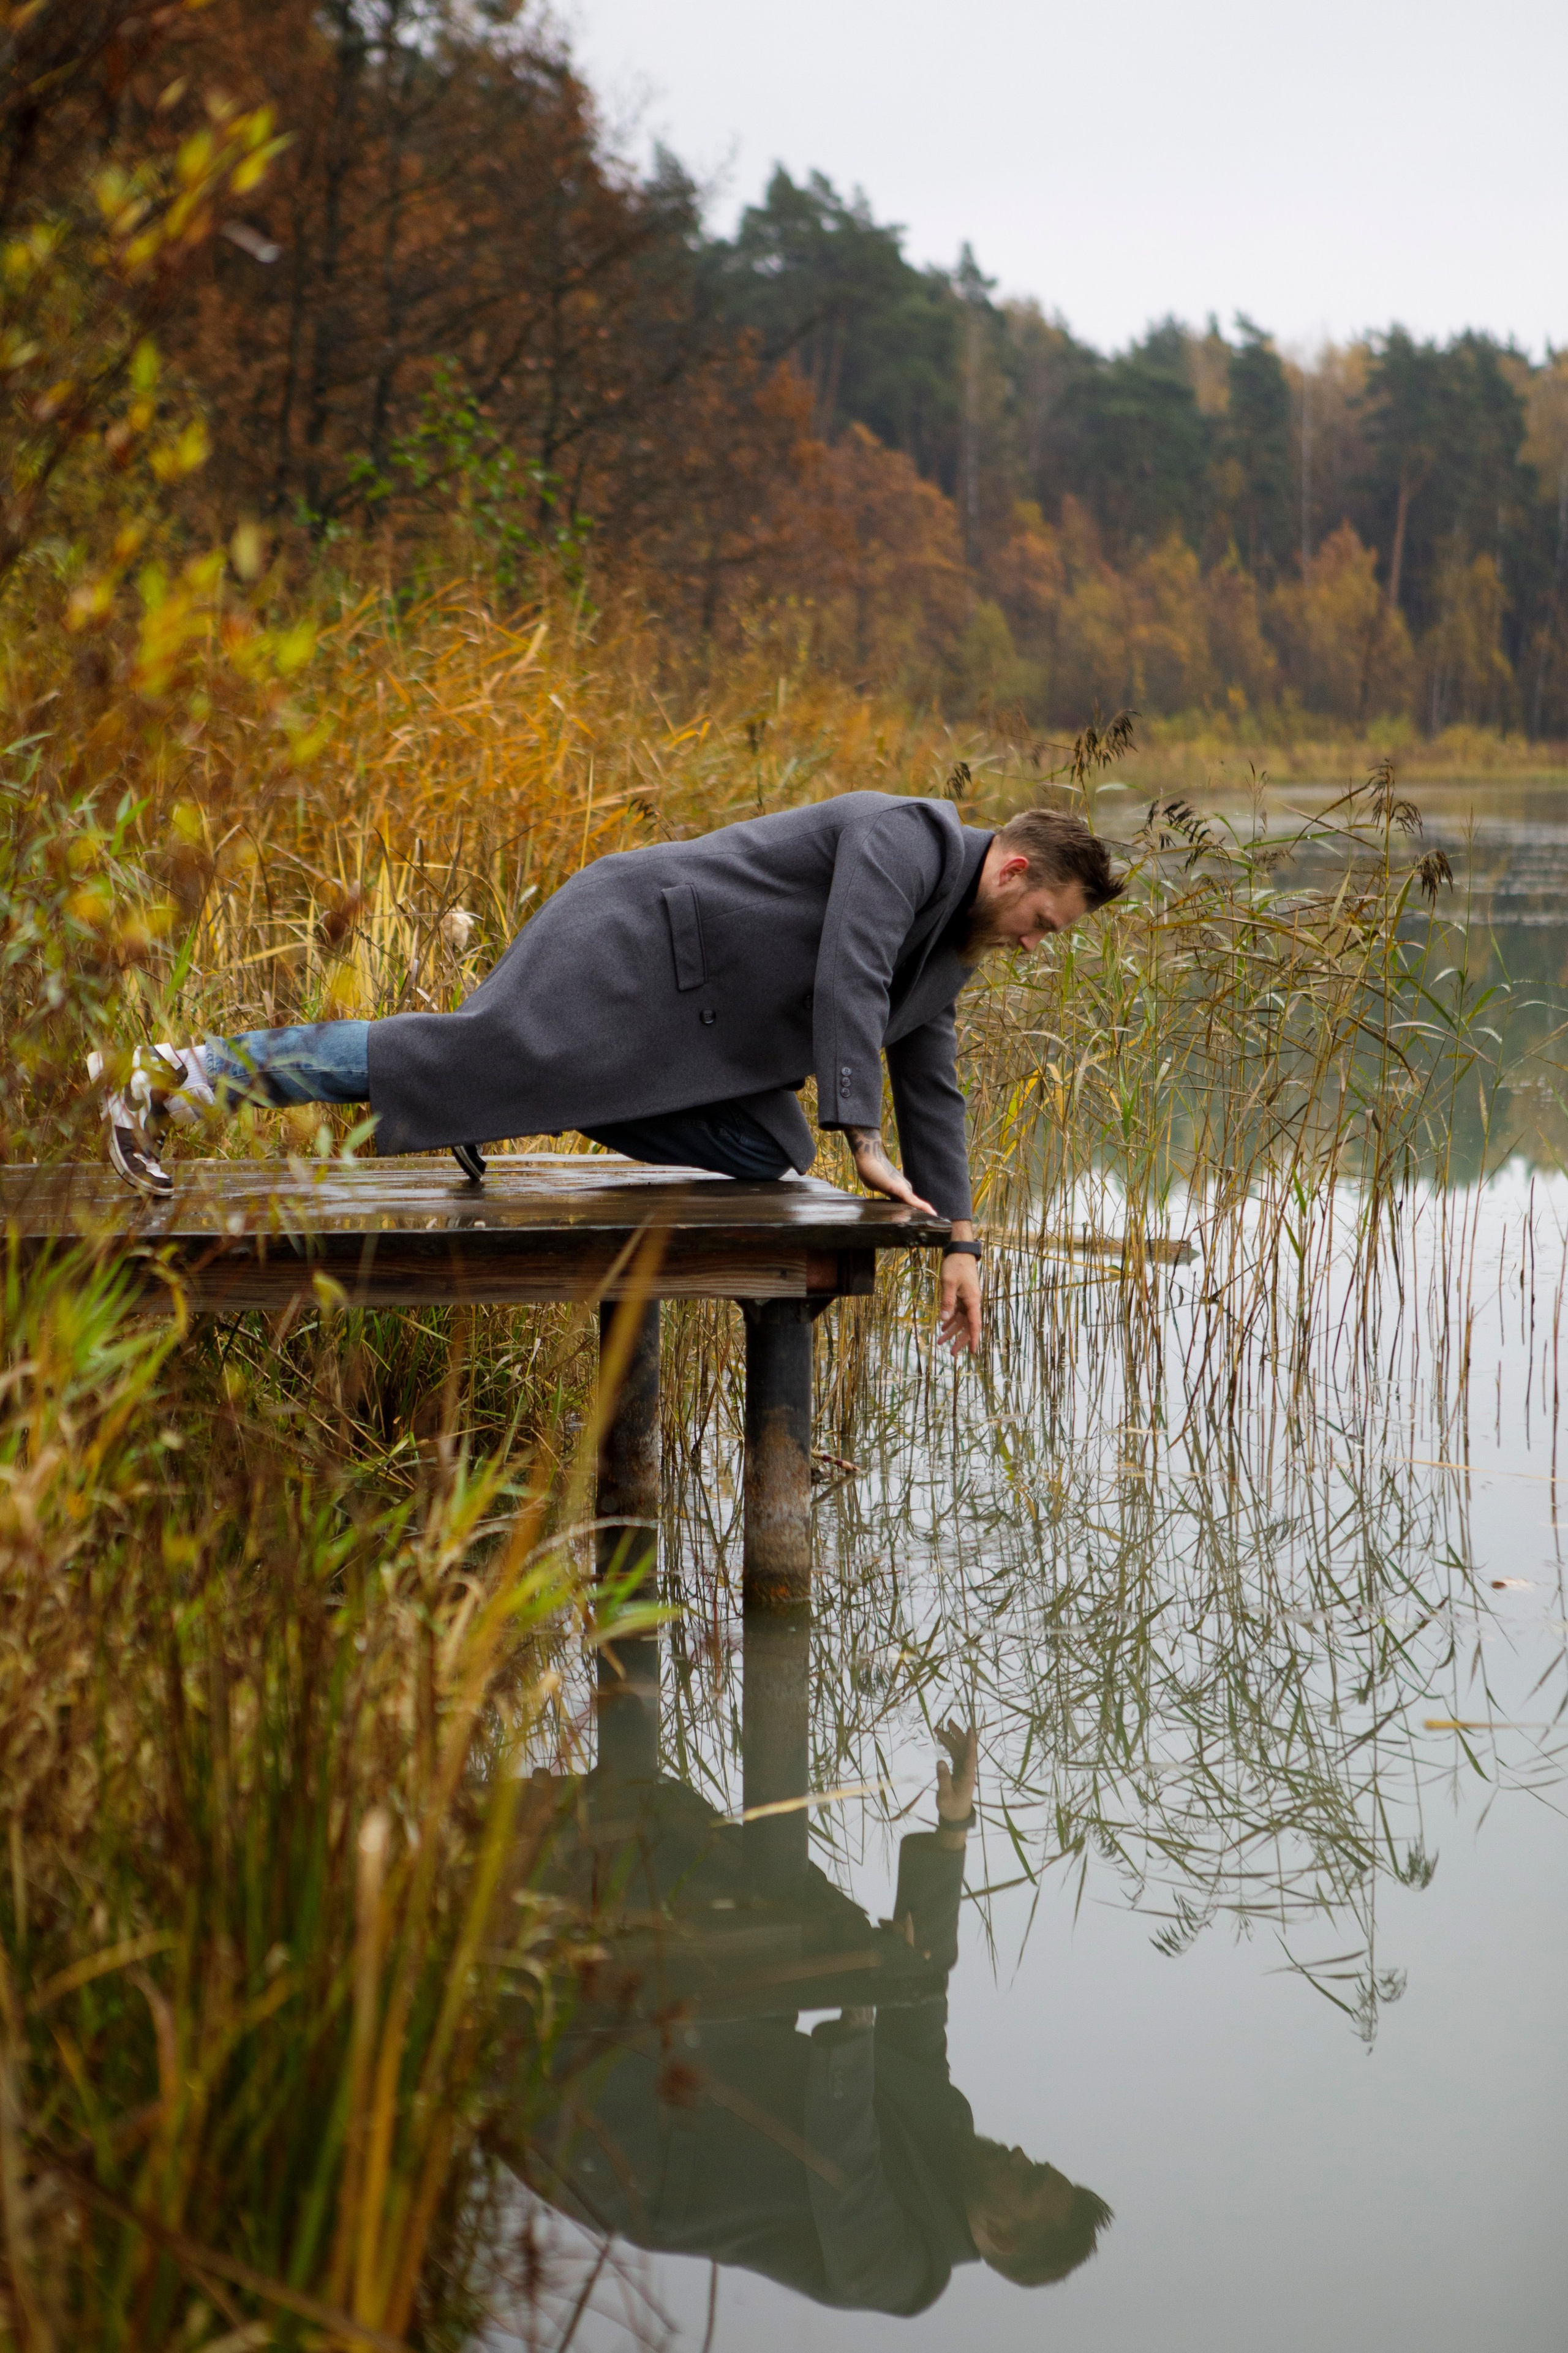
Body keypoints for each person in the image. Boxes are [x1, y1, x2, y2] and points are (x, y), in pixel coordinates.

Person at [91, 794, 1122, 1350]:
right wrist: (863, 1135)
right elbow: (850, 963)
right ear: (1017, 869)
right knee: (455, 1054)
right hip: (635, 940)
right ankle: (172, 1074)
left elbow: (934, 1090)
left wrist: (962, 1241)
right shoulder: (907, 838)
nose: (1038, 944)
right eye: (1046, 923)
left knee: (773, 1148)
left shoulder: (951, 956)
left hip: (692, 1032)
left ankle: (538, 1093)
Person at [520, 1722, 1114, 2317]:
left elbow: (845, 2173)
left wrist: (855, 2024)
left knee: (500, 2032)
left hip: (641, 2151)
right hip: (696, 2054)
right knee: (764, 1907)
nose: (1017, 2155)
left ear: (1001, 2236)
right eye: (1036, 2162)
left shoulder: (905, 2275)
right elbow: (922, 1992)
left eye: (1029, 2181)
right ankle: (599, 1818)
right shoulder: (947, 2119)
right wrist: (953, 1829)